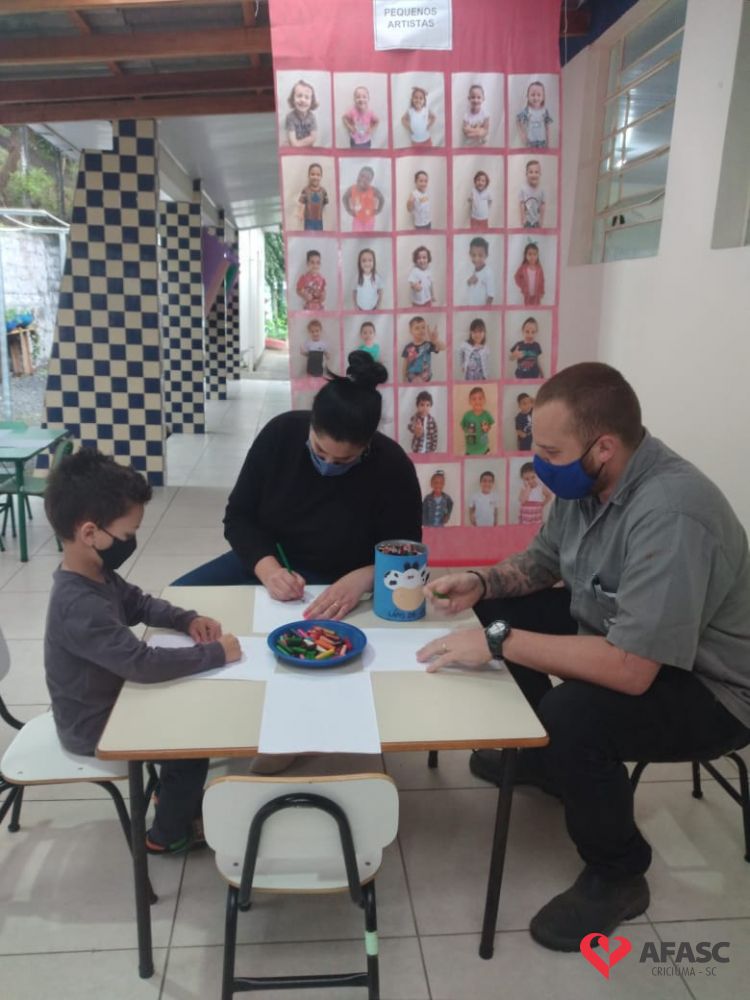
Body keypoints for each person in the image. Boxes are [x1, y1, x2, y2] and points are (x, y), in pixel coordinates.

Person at [419, 362, 750, 952]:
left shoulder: (672, 513)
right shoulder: (589, 486)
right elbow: (542, 562)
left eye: (551, 452)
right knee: (496, 610)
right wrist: (481, 582)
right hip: (625, 637)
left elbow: (632, 669)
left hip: (712, 687)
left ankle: (618, 872)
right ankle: (548, 764)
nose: (541, 464)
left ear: (603, 447)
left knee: (571, 714)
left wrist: (498, 641)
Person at [43, 449, 242, 855]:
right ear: (90, 533)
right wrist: (216, 654)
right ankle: (167, 835)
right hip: (95, 725)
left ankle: (171, 796)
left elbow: (138, 603)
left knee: (190, 705)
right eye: (128, 534)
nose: (131, 542)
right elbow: (141, 663)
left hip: (112, 698)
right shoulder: (78, 604)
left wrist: (185, 619)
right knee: (190, 745)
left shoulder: (95, 572)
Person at [172, 352, 422, 623]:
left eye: (344, 460)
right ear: (311, 424)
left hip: (344, 585)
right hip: (270, 563)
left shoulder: (392, 466)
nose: (328, 465)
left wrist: (364, 578)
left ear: (367, 444)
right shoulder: (281, 435)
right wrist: (269, 570)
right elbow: (238, 517)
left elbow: (405, 551)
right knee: (176, 606)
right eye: (319, 451)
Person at [401, 315, 445, 383]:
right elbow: (405, 364)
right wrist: (403, 378)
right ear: (411, 331)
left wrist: (435, 340)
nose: (421, 330)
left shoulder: (428, 344)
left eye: (423, 327)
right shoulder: (408, 347)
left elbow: (443, 348)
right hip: (412, 376)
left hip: (426, 376)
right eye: (417, 328)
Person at [342, 166, 385, 232]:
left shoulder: (373, 190)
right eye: (361, 176)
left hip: (369, 220)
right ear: (358, 175)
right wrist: (348, 210)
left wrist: (378, 210)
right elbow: (344, 198)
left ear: (371, 181)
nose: (363, 179)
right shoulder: (352, 189)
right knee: (357, 235)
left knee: (368, 236)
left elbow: (381, 198)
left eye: (367, 179)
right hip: (357, 219)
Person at [516, 80, 552, 148]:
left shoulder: (544, 111)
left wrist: (548, 142)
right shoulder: (527, 111)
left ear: (543, 97)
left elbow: (547, 127)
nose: (535, 98)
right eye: (532, 95)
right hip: (530, 142)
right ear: (527, 96)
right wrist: (523, 135)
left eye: (539, 95)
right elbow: (518, 120)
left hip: (542, 142)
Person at [461, 386, 494, 455]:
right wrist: (468, 432)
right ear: (470, 401)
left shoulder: (487, 414)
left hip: (484, 448)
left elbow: (490, 424)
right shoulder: (467, 415)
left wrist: (487, 428)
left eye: (480, 398)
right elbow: (463, 426)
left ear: (484, 400)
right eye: (474, 399)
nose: (477, 401)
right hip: (470, 450)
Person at [285, 79, 319, 148]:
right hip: (294, 150)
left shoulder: (312, 117)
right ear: (293, 99)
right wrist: (296, 144)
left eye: (307, 97)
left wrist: (297, 144)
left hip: (309, 149)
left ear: (312, 101)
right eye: (299, 96)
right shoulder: (290, 117)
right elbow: (293, 142)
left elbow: (313, 138)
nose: (303, 100)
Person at [464, 236, 496, 306]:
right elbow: (468, 287)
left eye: (480, 255)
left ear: (486, 255)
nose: (477, 259)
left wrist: (485, 309)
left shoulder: (488, 272)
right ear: (470, 254)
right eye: (473, 255)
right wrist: (469, 281)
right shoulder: (471, 270)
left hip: (481, 308)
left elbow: (491, 295)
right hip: (470, 306)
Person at [297, 162, 328, 231]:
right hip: (308, 220)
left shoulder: (323, 191)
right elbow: (302, 203)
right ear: (308, 175)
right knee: (309, 236)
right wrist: (301, 213)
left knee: (319, 235)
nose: (315, 177)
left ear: (321, 176)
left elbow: (324, 204)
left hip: (319, 220)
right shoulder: (305, 190)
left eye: (318, 175)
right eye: (312, 174)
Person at [514, 241, 545, 306]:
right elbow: (516, 276)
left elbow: (542, 280)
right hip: (527, 294)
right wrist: (522, 285)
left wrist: (542, 291)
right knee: (527, 306)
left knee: (536, 306)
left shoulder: (539, 269)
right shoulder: (523, 268)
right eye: (530, 254)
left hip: (537, 294)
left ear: (537, 255)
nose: (532, 257)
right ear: (526, 255)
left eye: (534, 254)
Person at [519, 159, 546, 228]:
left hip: (537, 222)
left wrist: (541, 220)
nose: (534, 174)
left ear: (540, 174)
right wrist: (523, 219)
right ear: (526, 174)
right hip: (527, 222)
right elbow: (522, 205)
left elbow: (543, 205)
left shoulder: (542, 191)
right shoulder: (523, 190)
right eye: (531, 172)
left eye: (536, 172)